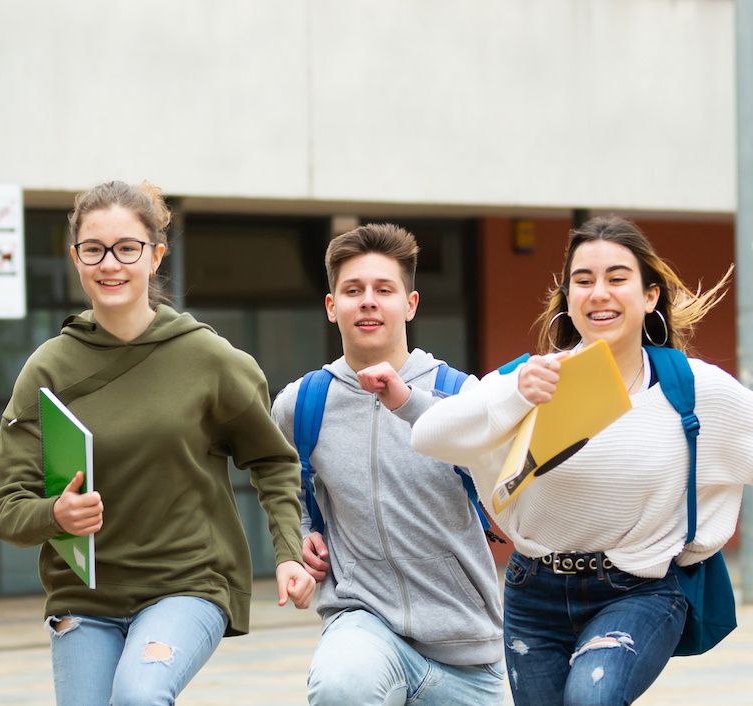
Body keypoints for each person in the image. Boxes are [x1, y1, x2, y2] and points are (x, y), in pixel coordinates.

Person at [0, 179, 314, 705]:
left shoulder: (209, 360)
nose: (109, 263)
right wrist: (56, 515)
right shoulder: (46, 368)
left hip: (188, 582)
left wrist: (289, 552)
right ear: (75, 258)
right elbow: (3, 507)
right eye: (93, 249)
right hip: (84, 597)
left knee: (139, 696)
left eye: (127, 248)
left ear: (155, 256)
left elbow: (272, 460)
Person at [411, 215, 747, 705]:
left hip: (640, 590)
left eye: (617, 278)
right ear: (568, 299)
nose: (599, 293)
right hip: (534, 592)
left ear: (649, 295)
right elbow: (428, 435)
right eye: (583, 281)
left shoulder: (692, 389)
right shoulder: (530, 380)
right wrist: (515, 395)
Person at [271, 224, 505, 705]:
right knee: (340, 686)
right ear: (332, 307)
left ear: (411, 304)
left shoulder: (462, 395)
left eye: (384, 290)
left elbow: (511, 484)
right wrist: (297, 537)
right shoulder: (302, 403)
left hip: (467, 649)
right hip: (362, 619)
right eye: (353, 290)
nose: (368, 301)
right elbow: (280, 483)